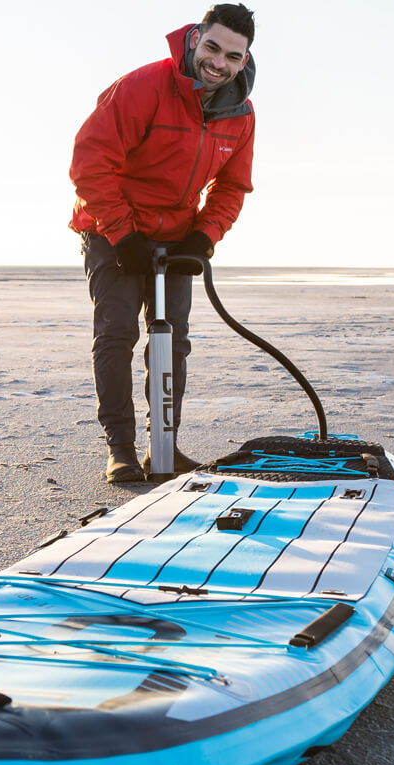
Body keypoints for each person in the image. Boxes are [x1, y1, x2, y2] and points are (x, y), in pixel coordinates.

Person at [69, 4, 257, 483]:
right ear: (195, 39)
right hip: (114, 228)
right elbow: (91, 162)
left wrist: (203, 236)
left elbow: (232, 187)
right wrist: (122, 233)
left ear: (245, 59)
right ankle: (122, 450)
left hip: (177, 237)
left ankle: (163, 448)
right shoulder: (142, 87)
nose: (219, 63)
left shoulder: (242, 114)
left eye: (232, 56)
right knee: (117, 335)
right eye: (212, 47)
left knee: (171, 341)